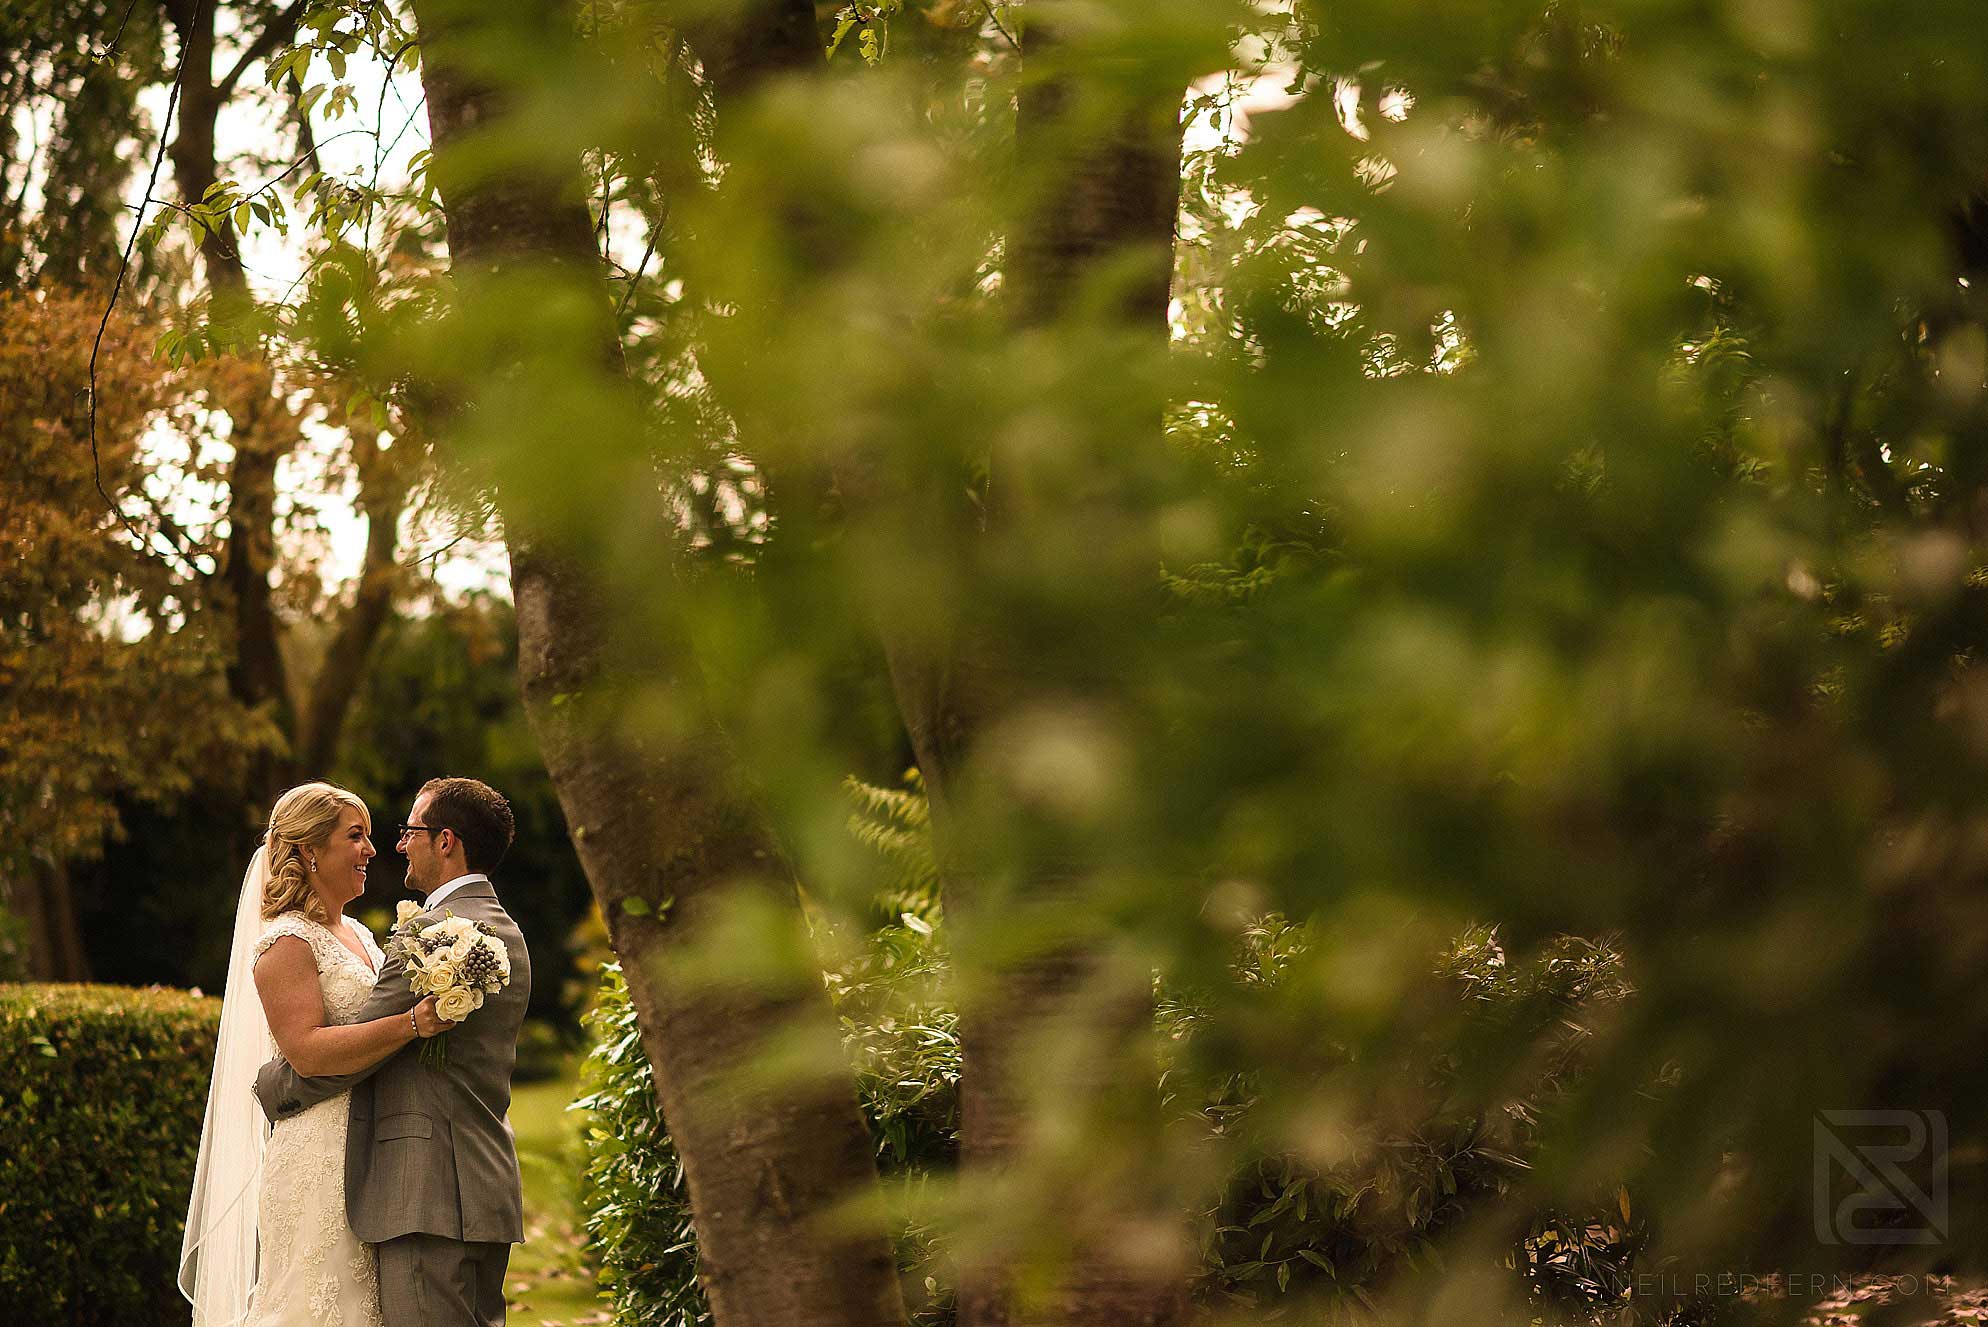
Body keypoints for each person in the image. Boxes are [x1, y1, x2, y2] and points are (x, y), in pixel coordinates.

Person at [255, 776, 533, 1327]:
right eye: (360, 836)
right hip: (481, 1184)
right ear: (309, 850)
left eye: (408, 831)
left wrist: (274, 1083)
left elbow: (363, 1045)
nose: (392, 846)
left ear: (446, 841)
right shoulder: (508, 933)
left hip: (420, 1189)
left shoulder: (433, 934)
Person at [179, 781, 447, 1327]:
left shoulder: (361, 936)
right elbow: (305, 1050)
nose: (372, 850)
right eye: (356, 837)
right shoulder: (284, 942)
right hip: (320, 1152)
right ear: (309, 850)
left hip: (372, 1144)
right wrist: (412, 1024)